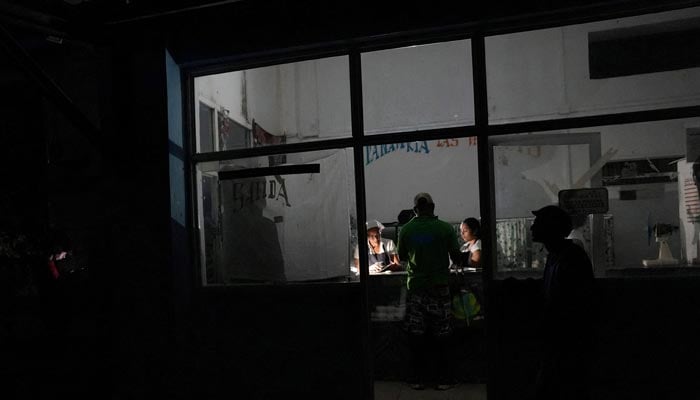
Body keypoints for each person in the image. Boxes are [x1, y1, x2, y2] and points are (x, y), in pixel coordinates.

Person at [398, 192, 463, 390]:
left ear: (415, 209)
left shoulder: (406, 230)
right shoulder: (445, 229)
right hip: (439, 288)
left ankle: (417, 379)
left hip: (416, 289)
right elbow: (456, 255)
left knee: (416, 336)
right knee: (442, 335)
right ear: (433, 207)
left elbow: (402, 256)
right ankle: (444, 379)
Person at [530, 205, 594, 400]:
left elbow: (573, 302)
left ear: (550, 228)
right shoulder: (558, 256)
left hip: (566, 337)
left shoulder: (570, 257)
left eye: (537, 223)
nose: (532, 228)